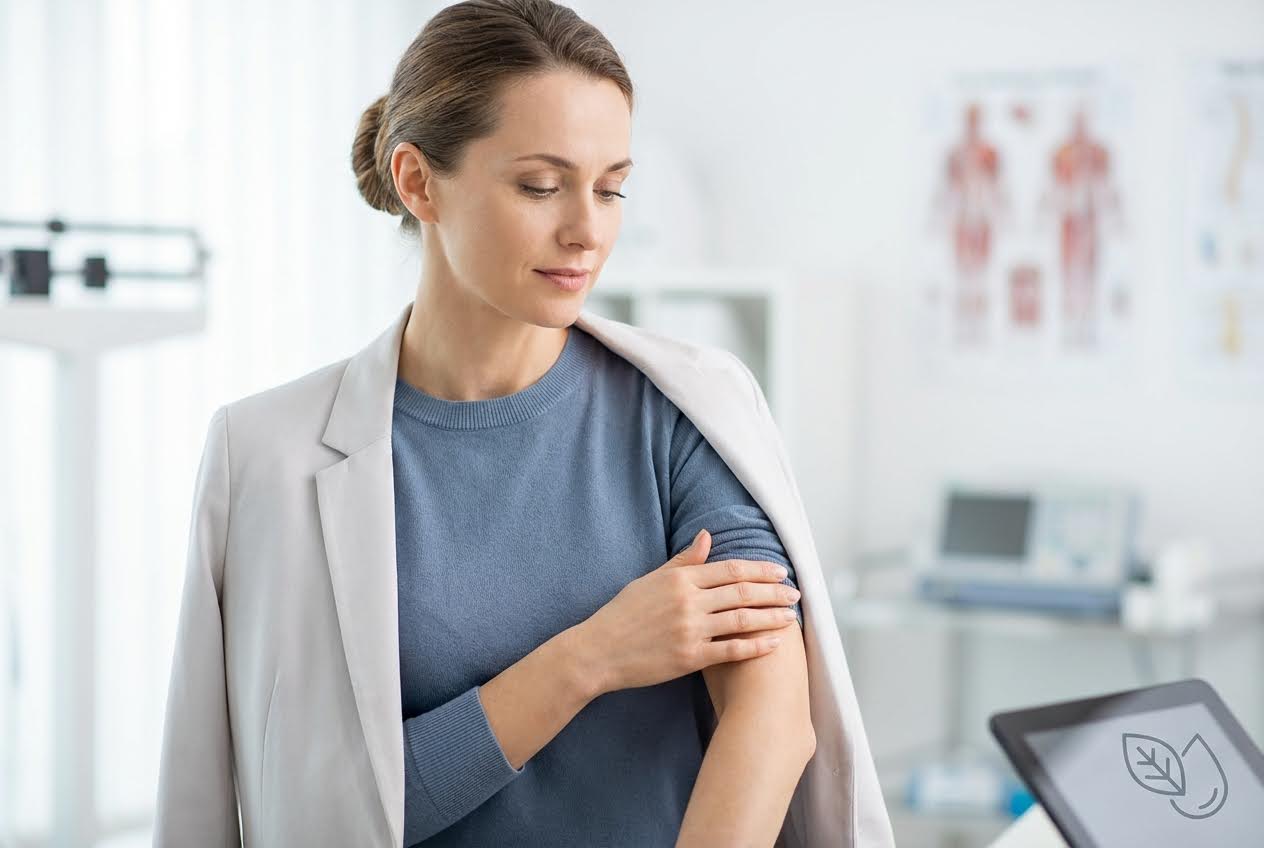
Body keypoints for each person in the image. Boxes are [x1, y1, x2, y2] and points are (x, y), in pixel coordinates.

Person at [154, 2, 893, 846]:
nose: (587, 231)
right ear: (417, 181)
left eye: (612, 188)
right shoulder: (265, 458)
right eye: (541, 186)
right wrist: (589, 658)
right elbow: (323, 815)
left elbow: (772, 720)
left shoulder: (686, 410)